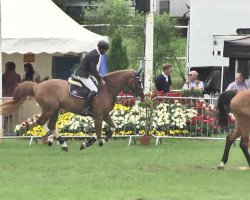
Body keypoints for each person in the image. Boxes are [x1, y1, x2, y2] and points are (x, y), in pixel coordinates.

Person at [75, 40, 109, 115]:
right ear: (101, 49)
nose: (105, 52)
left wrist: (99, 76)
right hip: (83, 75)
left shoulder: (95, 53)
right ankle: (85, 108)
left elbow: (93, 69)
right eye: (105, 50)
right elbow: (93, 70)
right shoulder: (95, 55)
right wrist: (100, 79)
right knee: (94, 89)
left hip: (86, 73)